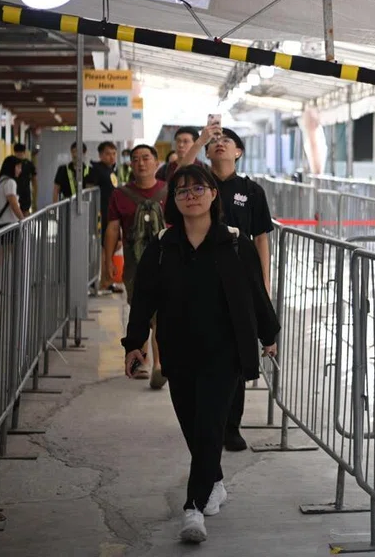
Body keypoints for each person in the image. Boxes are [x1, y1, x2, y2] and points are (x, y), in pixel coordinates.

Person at [121, 164, 279, 544]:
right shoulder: (163, 247)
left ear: (213, 195)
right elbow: (144, 299)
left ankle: (193, 507)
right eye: (182, 190)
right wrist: (134, 343)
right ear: (173, 201)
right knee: (194, 427)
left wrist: (268, 334)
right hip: (178, 350)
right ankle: (215, 481)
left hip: (224, 353)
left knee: (209, 426)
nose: (190, 195)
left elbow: (256, 292)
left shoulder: (235, 244)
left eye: (198, 188)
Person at [205, 128, 274, 452]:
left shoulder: (251, 191)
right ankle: (207, 422)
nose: (219, 144)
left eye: (226, 141)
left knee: (236, 352)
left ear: (239, 152)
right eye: (213, 142)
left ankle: (231, 426)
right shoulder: (197, 186)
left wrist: (264, 282)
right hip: (202, 276)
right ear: (207, 153)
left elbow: (261, 237)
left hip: (240, 280)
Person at [105, 145, 167, 386]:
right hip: (134, 265)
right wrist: (108, 261)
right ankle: (142, 361)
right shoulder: (120, 195)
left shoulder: (169, 191)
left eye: (146, 158)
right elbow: (112, 229)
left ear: (156, 162)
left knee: (160, 313)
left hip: (165, 260)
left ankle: (158, 364)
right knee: (140, 310)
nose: (141, 163)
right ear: (130, 164)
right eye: (136, 159)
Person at [90, 142, 121, 291]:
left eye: (114, 153)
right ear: (101, 155)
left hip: (112, 214)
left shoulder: (111, 170)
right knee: (106, 247)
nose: (112, 157)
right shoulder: (96, 170)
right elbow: (89, 190)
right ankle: (104, 281)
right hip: (101, 214)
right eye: (108, 153)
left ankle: (106, 280)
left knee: (113, 245)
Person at [0, 156, 25, 229]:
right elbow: (14, 204)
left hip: (0, 223)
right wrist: (24, 220)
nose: (20, 170)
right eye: (18, 167)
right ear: (11, 167)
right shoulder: (10, 182)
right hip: (9, 224)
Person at [12, 143, 36, 214]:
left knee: (25, 213)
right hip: (14, 193)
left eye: (21, 153)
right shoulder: (11, 164)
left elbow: (34, 180)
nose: (19, 155)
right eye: (17, 153)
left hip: (25, 194)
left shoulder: (29, 164)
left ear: (24, 153)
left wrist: (34, 196)